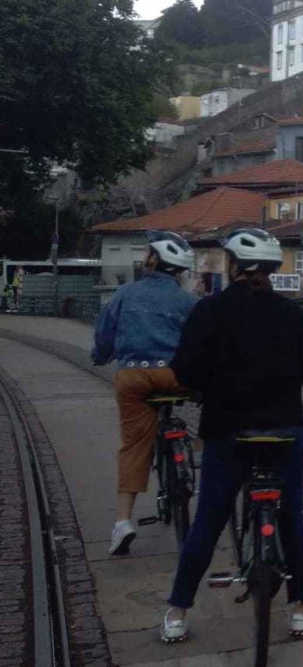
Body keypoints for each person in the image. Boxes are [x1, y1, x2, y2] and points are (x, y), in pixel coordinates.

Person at [161, 227, 303, 643]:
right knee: (291, 519)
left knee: (208, 520)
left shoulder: (209, 311)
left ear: (233, 266)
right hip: (282, 430)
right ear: (271, 270)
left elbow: (184, 369)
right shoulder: (290, 313)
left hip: (226, 429)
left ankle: (177, 613)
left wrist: (206, 387)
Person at [91, 230, 198, 556]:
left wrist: (100, 355)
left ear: (153, 259)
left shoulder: (126, 293)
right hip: (176, 377)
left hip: (134, 376)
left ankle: (123, 521)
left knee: (134, 445)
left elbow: (105, 335)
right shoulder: (188, 301)